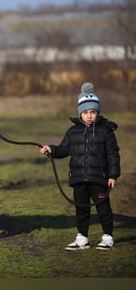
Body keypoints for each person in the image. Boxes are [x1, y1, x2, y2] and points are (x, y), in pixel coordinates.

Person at [39, 82, 120, 250]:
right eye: (85, 112)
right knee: (81, 209)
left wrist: (113, 175)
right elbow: (64, 149)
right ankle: (82, 237)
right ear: (80, 113)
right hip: (78, 179)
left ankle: (108, 237)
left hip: (99, 178)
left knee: (103, 208)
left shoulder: (106, 131)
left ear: (97, 113)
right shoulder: (72, 132)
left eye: (92, 112)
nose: (89, 116)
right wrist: (51, 149)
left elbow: (113, 154)